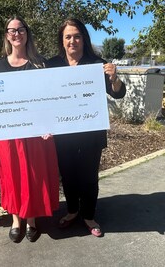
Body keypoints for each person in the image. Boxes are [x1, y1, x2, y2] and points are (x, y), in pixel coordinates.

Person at [47, 18, 126, 237]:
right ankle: (72, 211)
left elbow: (118, 93)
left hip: (90, 132)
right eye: (68, 36)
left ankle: (89, 216)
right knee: (68, 175)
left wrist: (114, 79)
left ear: (84, 38)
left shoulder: (97, 64)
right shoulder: (52, 64)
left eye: (77, 36)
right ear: (62, 41)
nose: (73, 41)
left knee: (89, 176)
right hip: (63, 133)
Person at [0, 16, 59, 243]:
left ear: (27, 34)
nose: (16, 33)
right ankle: (15, 220)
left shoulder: (40, 63)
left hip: (37, 134)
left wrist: (51, 124)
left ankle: (31, 219)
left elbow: (51, 98)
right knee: (12, 177)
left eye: (21, 29)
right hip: (9, 135)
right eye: (11, 30)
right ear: (6, 35)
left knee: (33, 175)